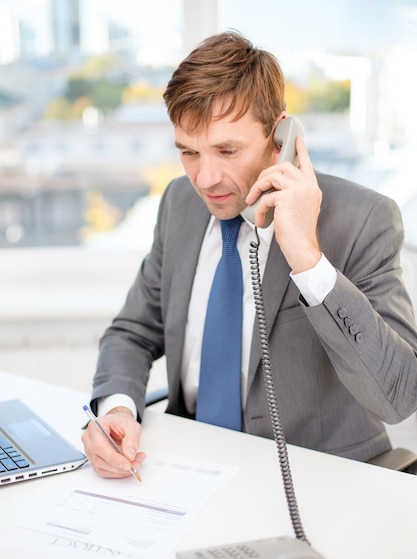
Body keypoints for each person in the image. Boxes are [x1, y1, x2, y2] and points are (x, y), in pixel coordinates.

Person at [82, 31, 417, 478]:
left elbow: (398, 398)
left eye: (227, 150)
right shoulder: (180, 204)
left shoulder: (362, 218)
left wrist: (310, 262)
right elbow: (131, 332)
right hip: (191, 467)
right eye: (188, 152)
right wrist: (119, 409)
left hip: (318, 478)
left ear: (279, 136)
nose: (205, 178)